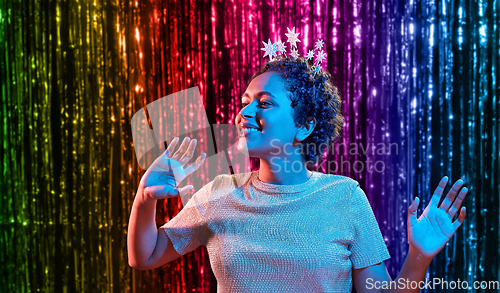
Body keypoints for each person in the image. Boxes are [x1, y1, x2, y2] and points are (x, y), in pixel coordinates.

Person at [127, 56, 469, 292]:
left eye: (263, 103)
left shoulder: (346, 196)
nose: (245, 111)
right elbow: (145, 256)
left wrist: (418, 257)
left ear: (303, 127)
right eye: (246, 101)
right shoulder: (217, 193)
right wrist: (144, 198)